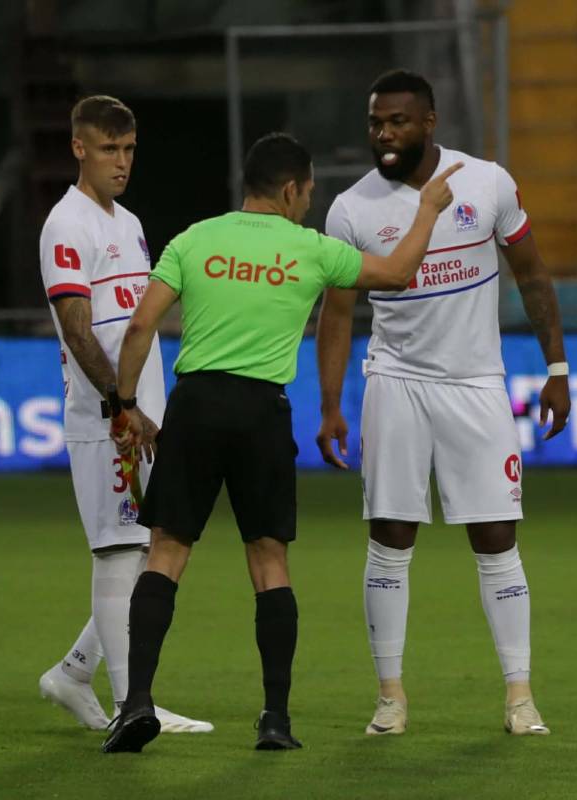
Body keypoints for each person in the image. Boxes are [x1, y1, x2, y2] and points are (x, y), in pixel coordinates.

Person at [100, 132, 462, 754]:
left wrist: (127, 404)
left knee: (166, 554)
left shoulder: (195, 238)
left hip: (197, 403)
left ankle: (135, 705)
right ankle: (274, 720)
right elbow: (399, 274)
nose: (309, 202)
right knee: (269, 563)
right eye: (309, 192)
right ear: (292, 189)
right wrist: (428, 210)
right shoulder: (314, 250)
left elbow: (140, 326)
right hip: (262, 413)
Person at [315, 69, 572, 737]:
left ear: (429, 122)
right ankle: (391, 696)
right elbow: (337, 314)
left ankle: (520, 696)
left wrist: (557, 367)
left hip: (476, 384)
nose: (384, 134)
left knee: (496, 538)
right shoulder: (350, 210)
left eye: (397, 121)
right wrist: (331, 406)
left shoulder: (486, 183)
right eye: (375, 122)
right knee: (390, 537)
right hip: (395, 382)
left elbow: (532, 274)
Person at [37, 94, 211, 736]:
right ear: (79, 147)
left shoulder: (130, 222)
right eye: (108, 149)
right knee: (118, 553)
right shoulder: (67, 224)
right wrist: (121, 406)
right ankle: (131, 705)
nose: (121, 162)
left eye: (129, 149)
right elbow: (78, 331)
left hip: (142, 413)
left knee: (147, 554)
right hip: (108, 417)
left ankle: (75, 675)